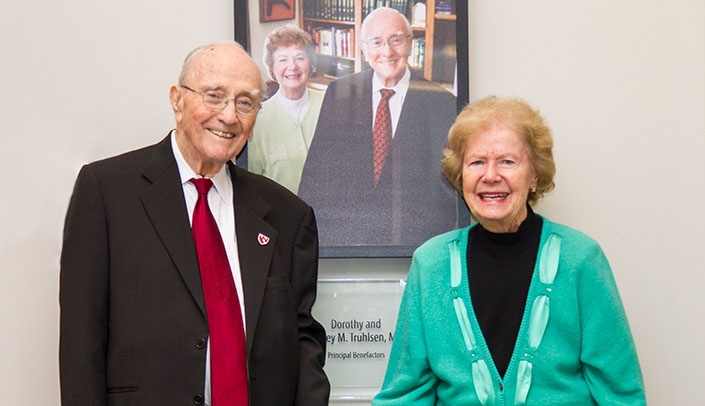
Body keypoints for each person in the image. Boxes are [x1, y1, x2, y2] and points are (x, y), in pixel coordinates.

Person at [59, 41, 330, 405]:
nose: (230, 116)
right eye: (214, 96)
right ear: (177, 100)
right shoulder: (106, 193)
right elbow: (81, 340)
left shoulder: (287, 215)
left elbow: (303, 340)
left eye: (245, 102)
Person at [373, 96, 646, 405]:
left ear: (534, 175)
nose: (490, 176)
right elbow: (404, 394)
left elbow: (621, 395)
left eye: (507, 161)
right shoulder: (431, 264)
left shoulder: (580, 259)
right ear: (460, 175)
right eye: (476, 162)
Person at [298, 7, 464, 254]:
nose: (387, 51)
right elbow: (316, 174)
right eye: (376, 42)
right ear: (364, 49)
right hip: (346, 247)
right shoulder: (340, 93)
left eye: (396, 40)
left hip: (415, 249)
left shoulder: (443, 104)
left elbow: (449, 196)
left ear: (410, 43)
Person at [247, 24, 324, 194]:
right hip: (281, 217)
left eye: (299, 58)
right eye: (283, 59)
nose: (293, 66)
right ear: (272, 68)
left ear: (310, 64)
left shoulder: (329, 106)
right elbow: (252, 183)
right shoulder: (257, 119)